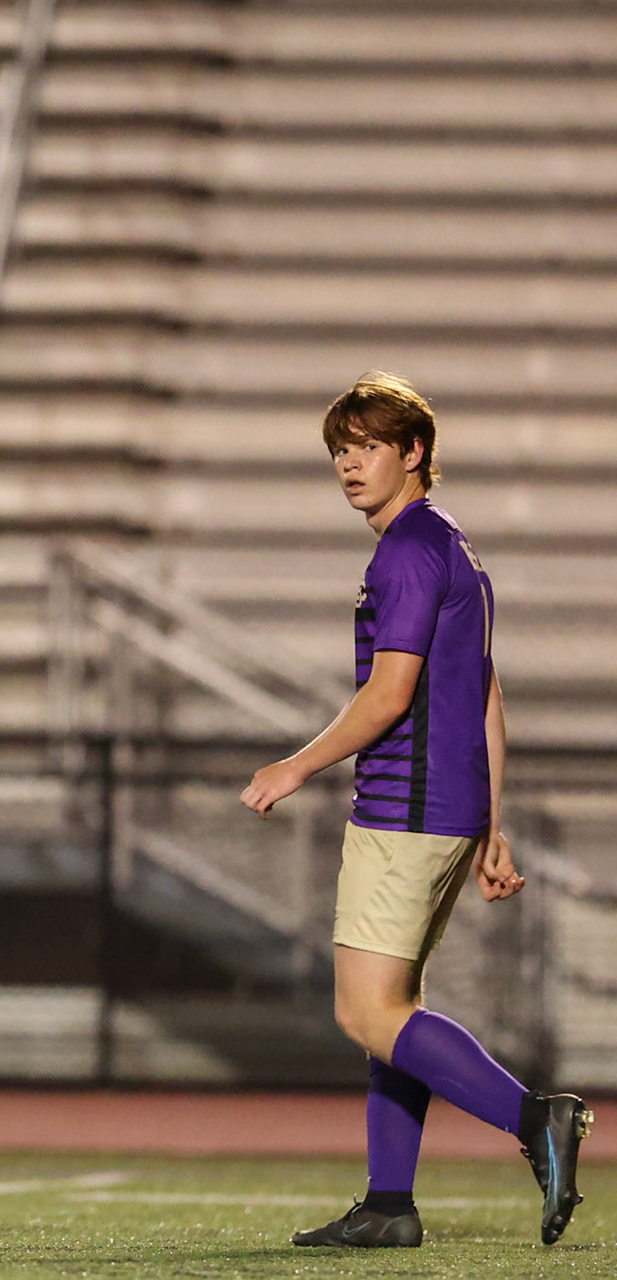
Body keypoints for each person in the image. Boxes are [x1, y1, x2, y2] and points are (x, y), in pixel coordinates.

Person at [241, 372, 591, 1248]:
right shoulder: (454, 547)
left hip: (402, 807)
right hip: (448, 808)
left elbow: (390, 696)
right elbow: (486, 695)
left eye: (367, 447)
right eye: (340, 450)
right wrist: (491, 823)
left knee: (368, 1014)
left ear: (414, 453)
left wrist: (297, 765)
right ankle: (390, 1204)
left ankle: (534, 1117)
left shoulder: (405, 548)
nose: (350, 465)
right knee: (393, 1009)